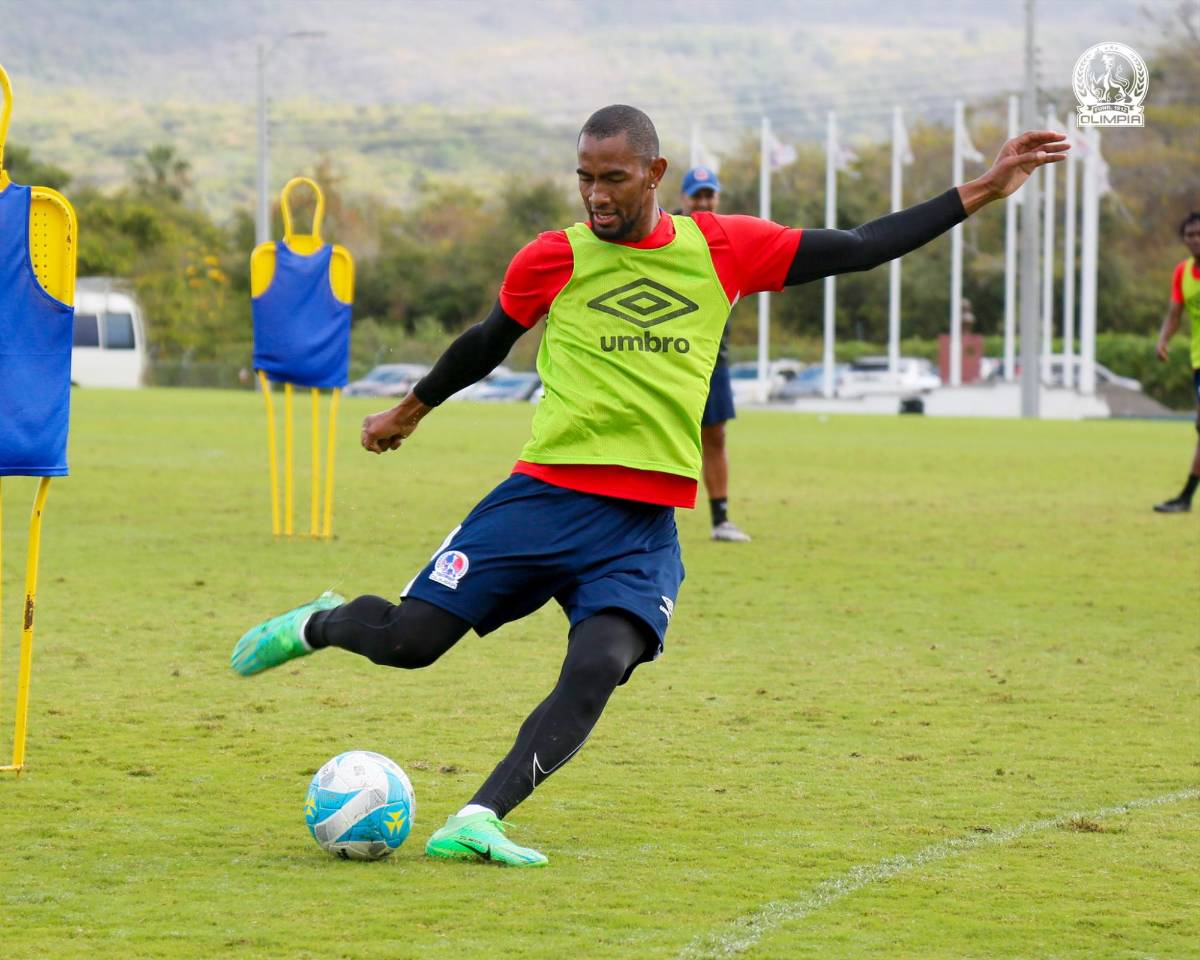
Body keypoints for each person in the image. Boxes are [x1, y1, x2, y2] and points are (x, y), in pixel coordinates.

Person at [231, 104, 1068, 867]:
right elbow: (488, 340)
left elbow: (859, 245)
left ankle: (479, 818)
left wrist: (985, 189)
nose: (597, 194)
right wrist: (411, 408)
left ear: (655, 174)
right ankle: (318, 623)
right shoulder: (554, 257)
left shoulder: (723, 248)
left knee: (602, 661)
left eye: (614, 178)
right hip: (543, 499)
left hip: (641, 527)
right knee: (410, 643)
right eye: (585, 178)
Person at [678, 165, 751, 542]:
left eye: (709, 194)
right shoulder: (663, 231)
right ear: (682, 199)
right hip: (667, 351)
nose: (703, 201)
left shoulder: (725, 236)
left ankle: (720, 519)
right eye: (696, 195)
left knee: (716, 435)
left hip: (712, 354)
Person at [1152, 211, 1200, 514]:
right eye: (1189, 235)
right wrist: (1163, 340)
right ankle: (1185, 498)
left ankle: (1185, 498)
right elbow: (1174, 314)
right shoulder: (1182, 272)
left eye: (1199, 234)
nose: (1195, 239)